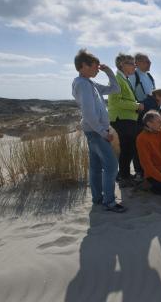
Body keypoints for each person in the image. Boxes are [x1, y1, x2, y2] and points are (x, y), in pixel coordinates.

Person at [71, 49, 126, 213]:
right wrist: (103, 132)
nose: (97, 69)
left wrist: (108, 72)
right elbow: (88, 113)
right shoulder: (82, 84)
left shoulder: (90, 84)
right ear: (83, 66)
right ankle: (109, 202)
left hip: (95, 130)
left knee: (95, 167)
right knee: (111, 166)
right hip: (96, 132)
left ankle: (98, 199)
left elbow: (115, 89)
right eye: (95, 66)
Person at [108, 53, 145, 187]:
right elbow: (115, 101)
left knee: (128, 149)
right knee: (127, 149)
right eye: (132, 64)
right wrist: (136, 105)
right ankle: (123, 177)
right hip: (121, 119)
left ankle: (125, 175)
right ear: (122, 65)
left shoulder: (124, 78)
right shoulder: (117, 79)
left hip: (126, 119)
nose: (135, 66)